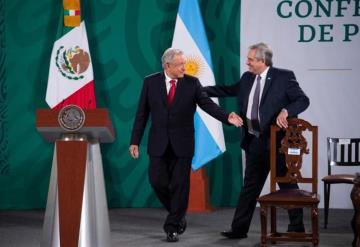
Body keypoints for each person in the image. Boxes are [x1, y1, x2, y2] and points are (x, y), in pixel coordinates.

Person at [129, 48, 242, 242]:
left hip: (183, 143)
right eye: (180, 64)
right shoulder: (150, 82)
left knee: (180, 186)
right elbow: (142, 114)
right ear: (167, 66)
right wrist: (134, 141)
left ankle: (172, 227)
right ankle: (178, 213)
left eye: (184, 63)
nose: (184, 67)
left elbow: (208, 104)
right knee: (157, 181)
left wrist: (227, 116)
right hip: (158, 143)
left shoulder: (192, 83)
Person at [204, 42, 310, 239]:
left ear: (262, 60)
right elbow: (228, 90)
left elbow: (303, 100)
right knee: (250, 187)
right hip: (254, 141)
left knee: (287, 184)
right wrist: (200, 90)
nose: (247, 62)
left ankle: (297, 226)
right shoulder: (247, 78)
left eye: (251, 60)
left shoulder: (284, 77)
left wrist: (286, 111)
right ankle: (239, 229)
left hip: (278, 143)